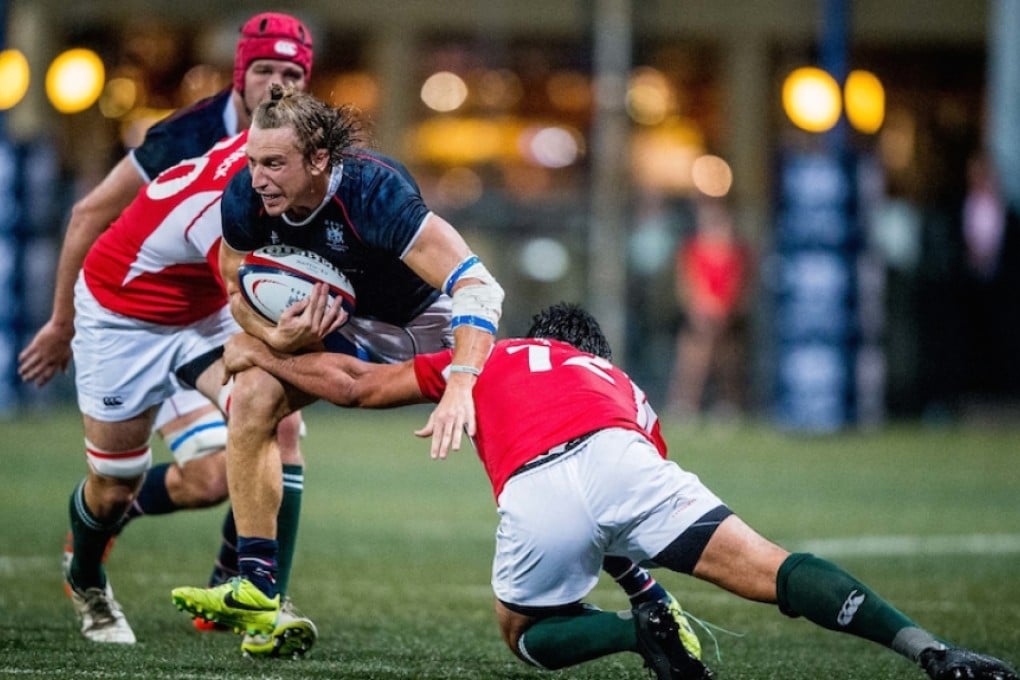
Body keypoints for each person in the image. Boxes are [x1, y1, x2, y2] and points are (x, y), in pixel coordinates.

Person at [215, 299, 1018, 680]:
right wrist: (646, 583)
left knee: (524, 631)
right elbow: (622, 518)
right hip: (625, 456)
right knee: (774, 569)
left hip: (537, 485)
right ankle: (930, 651)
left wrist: (260, 354)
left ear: (538, 336)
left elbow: (354, 384)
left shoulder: (490, 356)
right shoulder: (624, 384)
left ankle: (640, 641)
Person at [17, 12, 317, 654]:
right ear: (241, 74)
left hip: (199, 309)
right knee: (114, 483)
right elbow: (243, 296)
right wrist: (61, 322)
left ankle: (262, 597)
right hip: (123, 312)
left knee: (273, 421)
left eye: (292, 73)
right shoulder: (205, 152)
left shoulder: (294, 153)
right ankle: (88, 574)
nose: (276, 84)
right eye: (264, 68)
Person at [169, 84, 507, 640]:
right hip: (344, 327)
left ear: (320, 159)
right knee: (253, 395)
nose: (258, 178)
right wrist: (274, 334)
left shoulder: (375, 191)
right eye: (252, 162)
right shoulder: (245, 199)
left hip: (429, 325)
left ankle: (632, 575)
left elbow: (479, 286)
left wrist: (463, 382)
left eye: (275, 163)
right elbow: (235, 293)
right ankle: (257, 585)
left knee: (521, 426)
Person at [667, 197, 752, 419]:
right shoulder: (692, 249)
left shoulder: (734, 252)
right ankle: (684, 404)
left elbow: (737, 284)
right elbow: (687, 282)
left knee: (727, 362)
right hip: (699, 315)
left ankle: (728, 405)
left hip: (725, 318)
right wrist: (699, 307)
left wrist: (723, 311)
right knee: (692, 362)